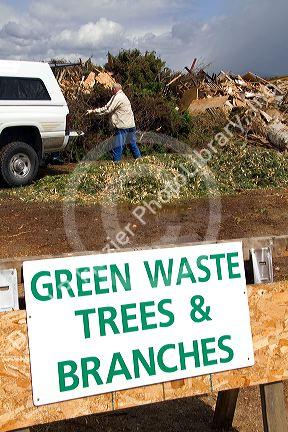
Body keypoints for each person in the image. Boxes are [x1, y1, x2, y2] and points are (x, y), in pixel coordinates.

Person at [86, 83, 141, 162]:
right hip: (131, 125)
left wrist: (93, 111)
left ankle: (116, 163)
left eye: (112, 89)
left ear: (115, 89)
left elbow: (108, 109)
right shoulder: (123, 96)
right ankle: (139, 160)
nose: (111, 90)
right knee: (132, 144)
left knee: (118, 145)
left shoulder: (118, 97)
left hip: (122, 126)